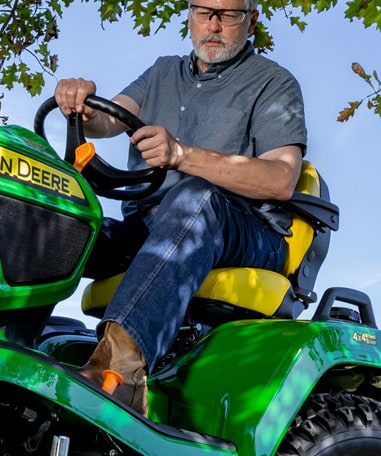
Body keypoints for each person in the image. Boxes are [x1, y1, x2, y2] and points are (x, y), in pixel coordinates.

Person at [53, 0, 307, 415]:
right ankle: (8, 341)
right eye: (204, 11)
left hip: (243, 228)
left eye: (228, 15)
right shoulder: (162, 72)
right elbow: (107, 121)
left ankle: (118, 374)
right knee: (65, 219)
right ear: (190, 14)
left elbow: (280, 179)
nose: (214, 24)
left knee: (195, 198)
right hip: (153, 226)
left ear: (251, 21)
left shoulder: (273, 83)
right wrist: (82, 101)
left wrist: (181, 155)